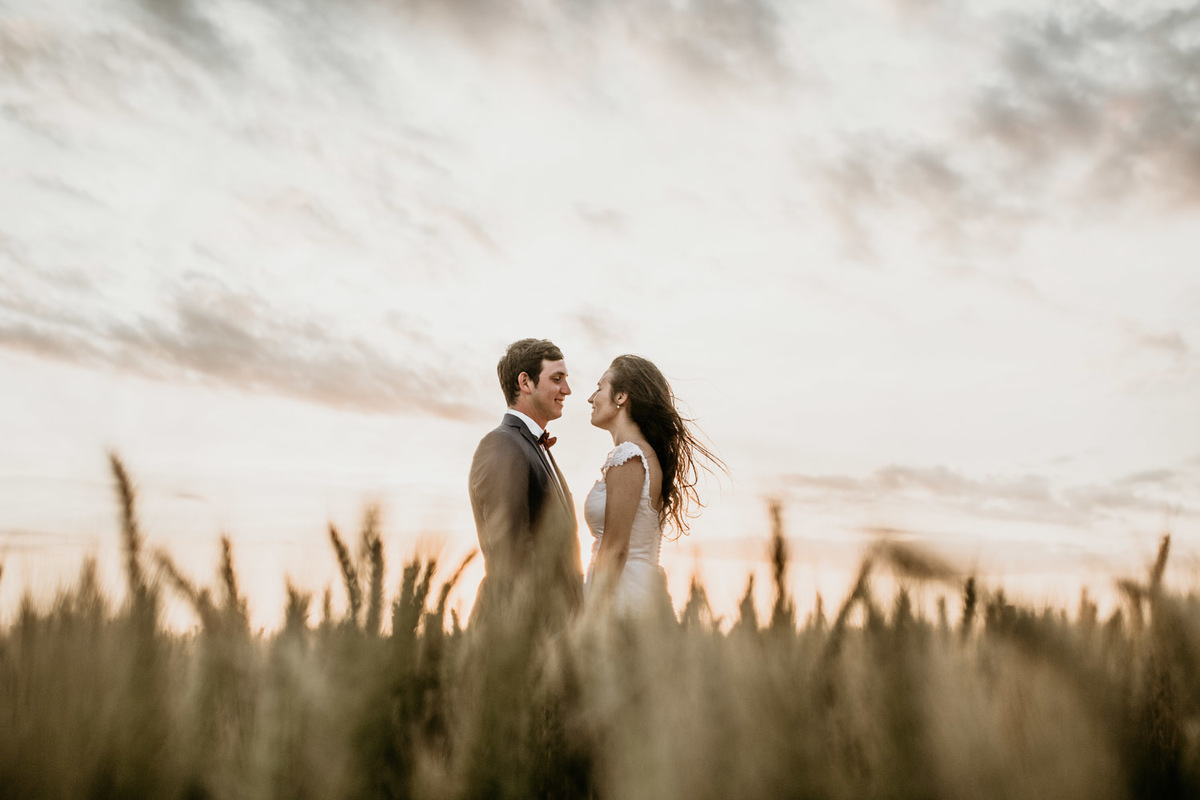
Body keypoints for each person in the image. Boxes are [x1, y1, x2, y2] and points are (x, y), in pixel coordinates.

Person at [584, 355, 724, 617]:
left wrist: (590, 619)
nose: (591, 398)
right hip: (634, 590)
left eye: (599, 387)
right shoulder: (642, 455)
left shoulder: (629, 456)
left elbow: (615, 549)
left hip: (619, 596)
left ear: (621, 396)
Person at [468, 338, 584, 628]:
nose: (567, 390)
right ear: (525, 382)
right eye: (557, 379)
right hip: (522, 631)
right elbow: (511, 553)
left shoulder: (534, 446)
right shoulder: (502, 444)